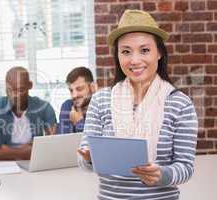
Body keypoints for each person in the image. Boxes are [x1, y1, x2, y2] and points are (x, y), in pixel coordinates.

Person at [78, 10, 198, 200]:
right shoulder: (101, 100)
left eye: (144, 50)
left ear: (159, 52)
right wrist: (90, 158)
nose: (135, 60)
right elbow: (84, 159)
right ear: (118, 55)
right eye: (126, 51)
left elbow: (185, 166)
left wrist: (162, 175)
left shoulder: (180, 104)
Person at [0, 66, 57, 160]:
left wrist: (8, 152)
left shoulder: (44, 108)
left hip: (33, 165)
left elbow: (54, 146)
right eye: (10, 90)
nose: (15, 95)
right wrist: (22, 154)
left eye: (21, 90)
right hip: (0, 167)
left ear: (30, 85)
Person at [57, 67, 96, 134]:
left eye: (79, 89)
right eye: (71, 90)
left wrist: (79, 122)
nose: (74, 95)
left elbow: (95, 141)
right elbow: (64, 142)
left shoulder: (101, 107)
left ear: (92, 87)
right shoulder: (68, 106)